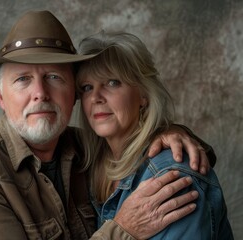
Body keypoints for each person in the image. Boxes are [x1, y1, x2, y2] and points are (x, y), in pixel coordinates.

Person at [0, 11, 216, 239]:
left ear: (73, 95)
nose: (41, 93)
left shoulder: (89, 150)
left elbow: (157, 154)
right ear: (0, 94)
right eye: (22, 79)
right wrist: (122, 230)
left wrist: (171, 133)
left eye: (54, 77)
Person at [76, 30, 233, 239]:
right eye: (87, 87)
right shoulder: (86, 161)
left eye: (112, 82)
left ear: (143, 95)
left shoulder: (171, 176)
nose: (96, 97)